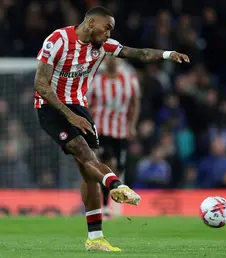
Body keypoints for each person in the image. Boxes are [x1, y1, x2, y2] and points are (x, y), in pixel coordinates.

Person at [34, 6, 189, 251]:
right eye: (107, 27)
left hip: (79, 107)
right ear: (91, 23)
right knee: (83, 151)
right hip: (52, 107)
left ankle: (95, 238)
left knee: (88, 171)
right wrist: (69, 116)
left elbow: (138, 53)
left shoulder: (102, 47)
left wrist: (169, 54)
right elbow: (41, 84)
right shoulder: (58, 40)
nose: (109, 34)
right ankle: (117, 186)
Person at [88, 56, 140, 219]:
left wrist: (132, 124)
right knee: (108, 163)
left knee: (118, 167)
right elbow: (88, 105)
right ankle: (105, 206)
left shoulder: (129, 80)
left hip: (121, 130)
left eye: (115, 60)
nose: (112, 62)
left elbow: (135, 102)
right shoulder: (96, 82)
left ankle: (107, 198)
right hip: (101, 130)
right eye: (109, 59)